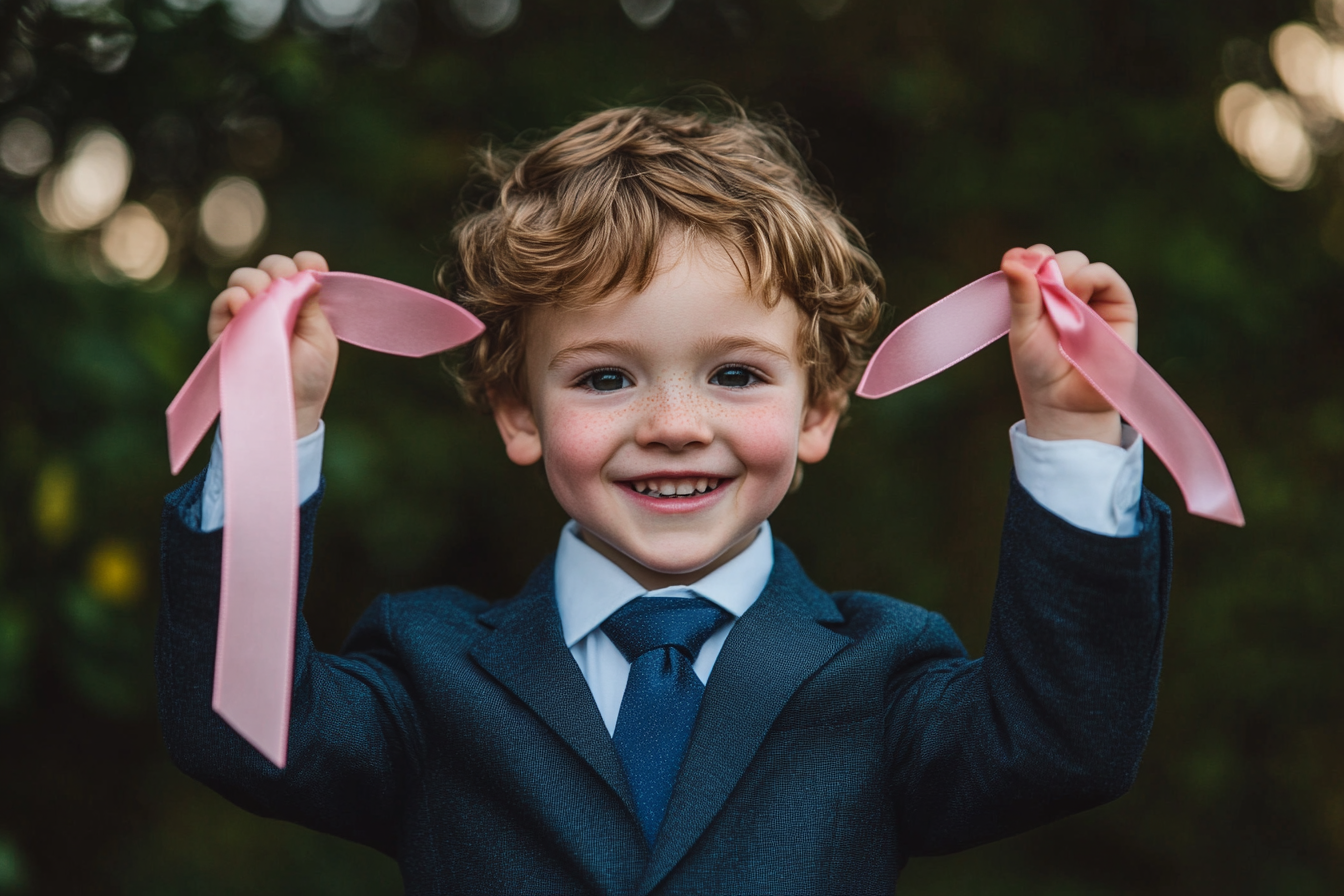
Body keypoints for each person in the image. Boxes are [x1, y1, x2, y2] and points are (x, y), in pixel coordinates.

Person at [156, 102, 1169, 895]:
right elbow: (244, 728)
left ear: (817, 409)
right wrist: (264, 429)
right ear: (518, 412)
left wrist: (1075, 429)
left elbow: (1061, 742)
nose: (675, 423)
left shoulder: (882, 672)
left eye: (735, 374)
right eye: (606, 377)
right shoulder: (429, 672)